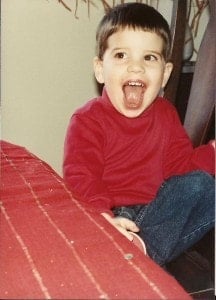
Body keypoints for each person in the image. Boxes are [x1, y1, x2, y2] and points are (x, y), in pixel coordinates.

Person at [63, 3, 215, 266]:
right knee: (198, 185)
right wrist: (103, 217)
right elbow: (81, 177)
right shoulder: (87, 121)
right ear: (100, 69)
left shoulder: (166, 113)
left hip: (159, 213)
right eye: (122, 55)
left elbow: (180, 168)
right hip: (114, 216)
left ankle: (141, 253)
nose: (136, 68)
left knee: (205, 186)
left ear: (165, 74)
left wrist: (212, 152)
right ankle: (136, 250)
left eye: (149, 58)